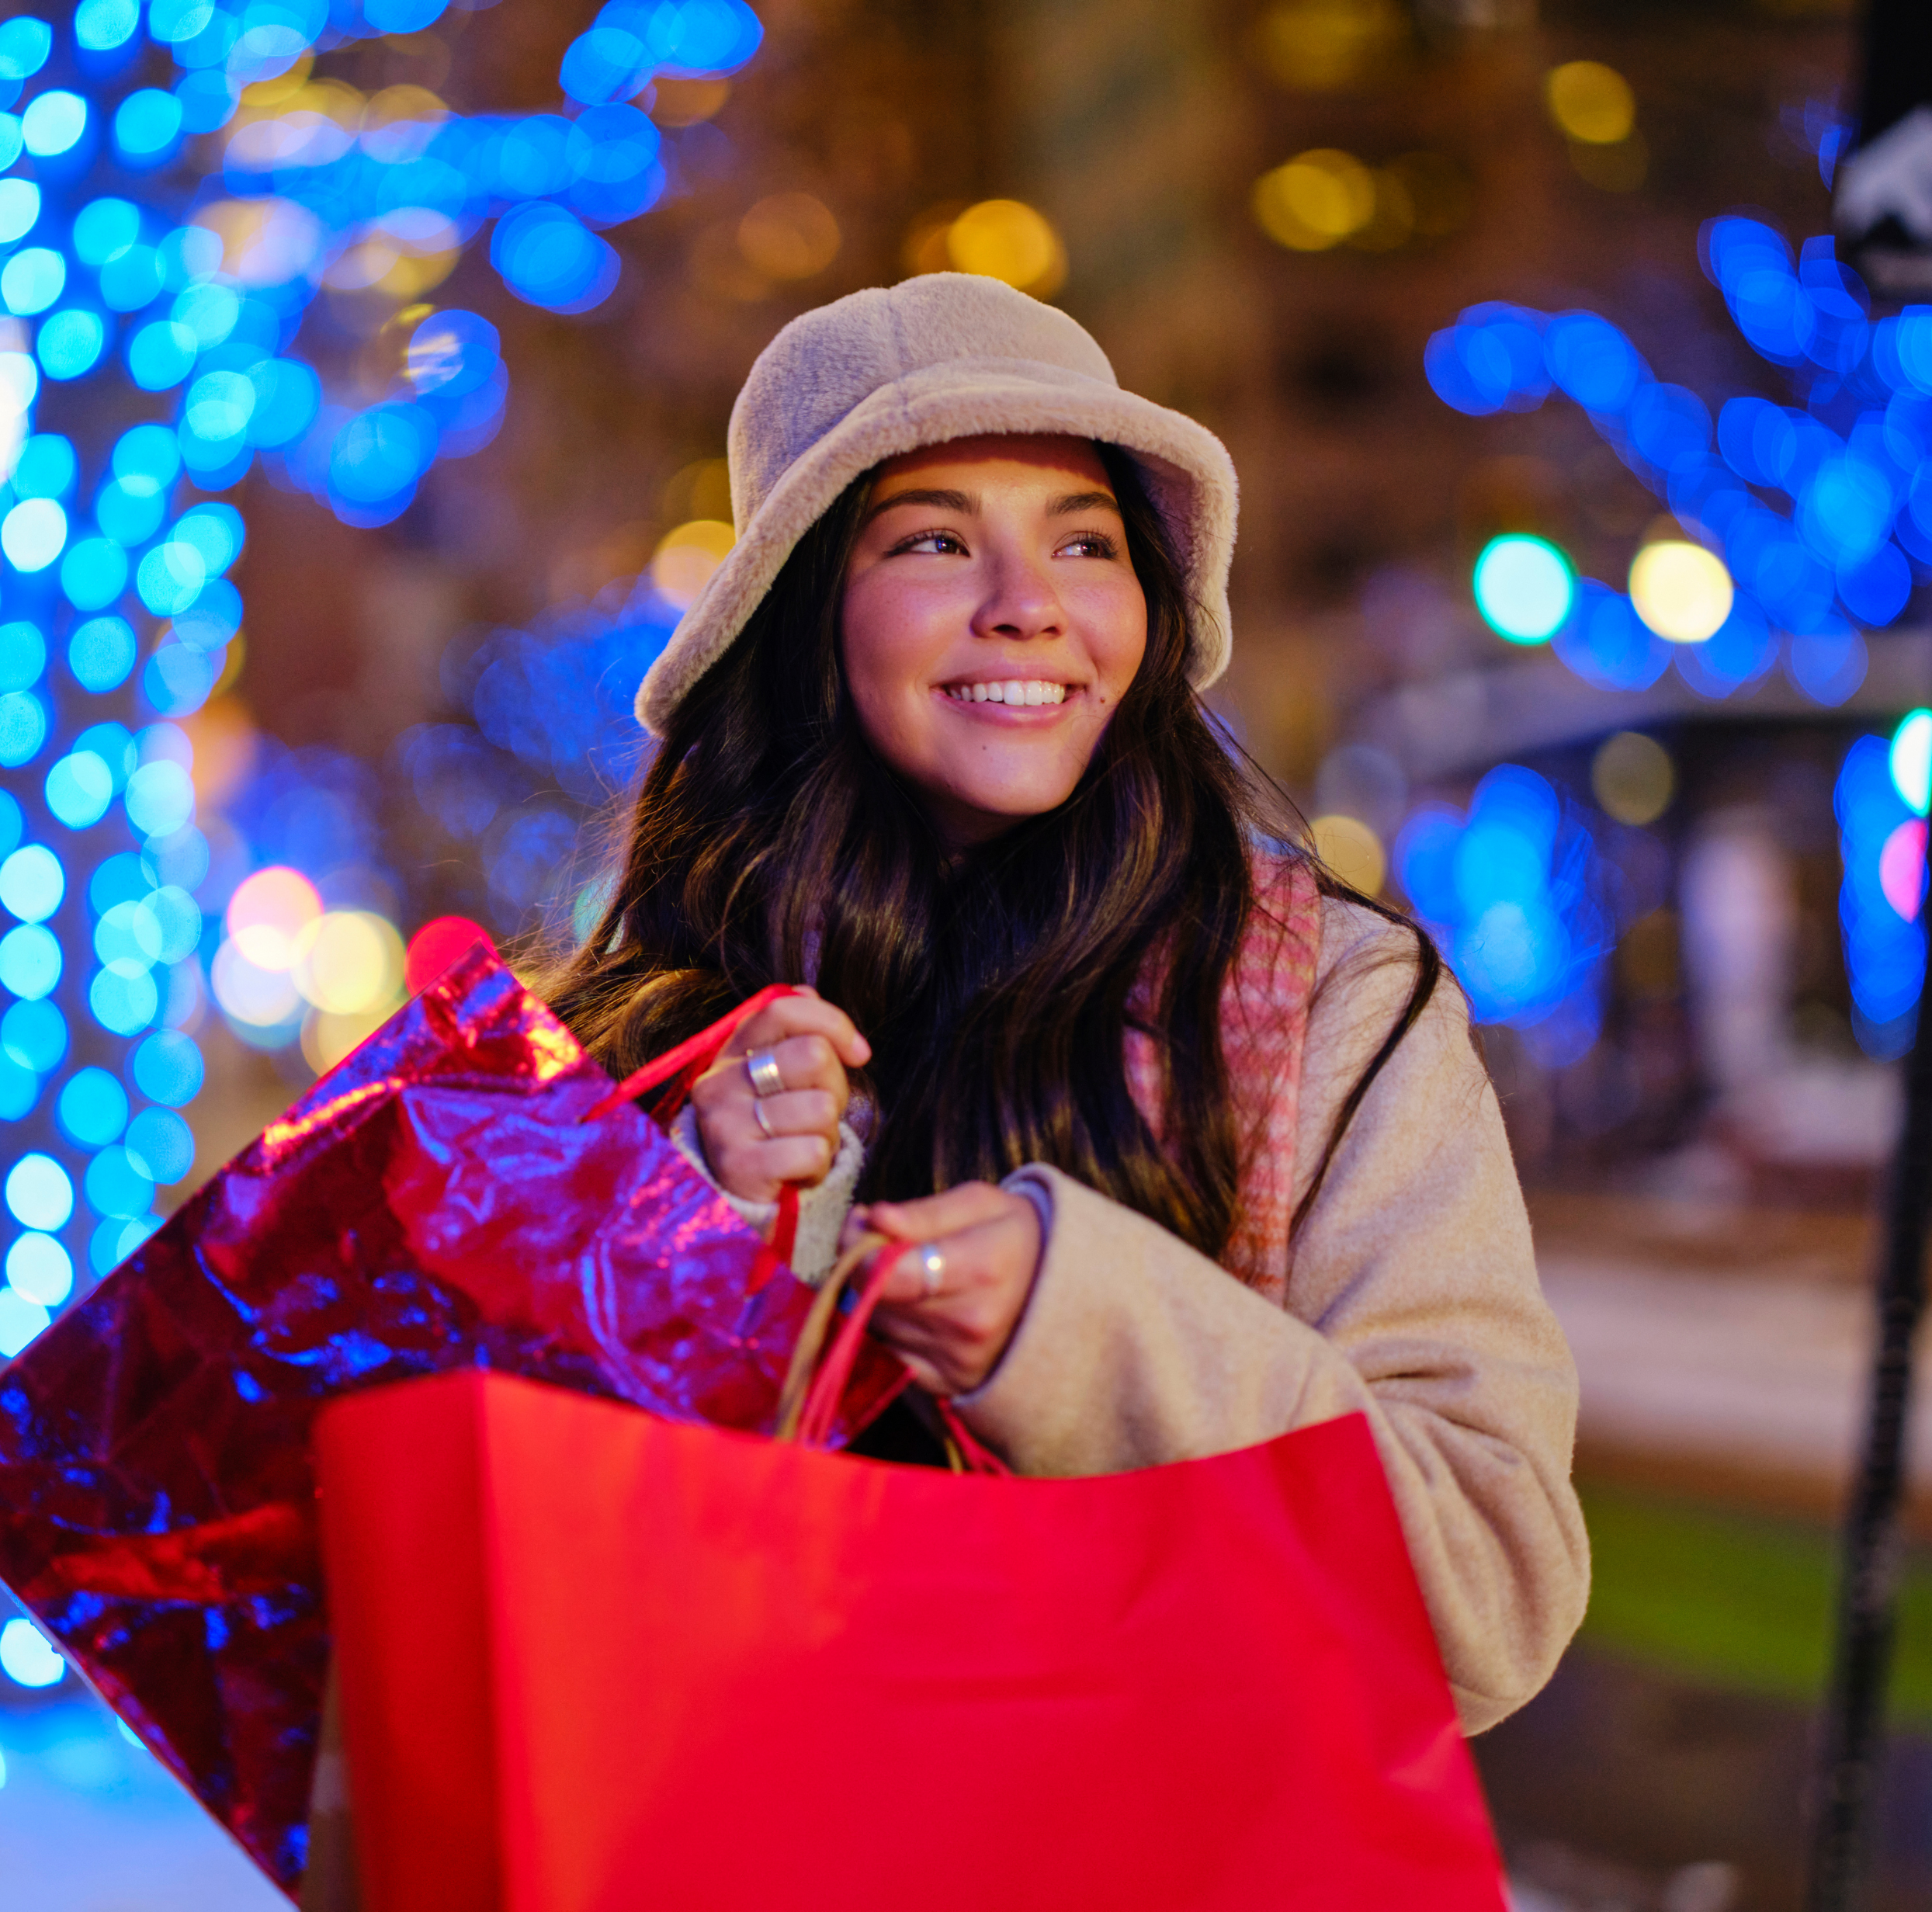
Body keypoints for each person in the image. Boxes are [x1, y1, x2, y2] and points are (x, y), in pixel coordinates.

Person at [541, 272, 1587, 1735]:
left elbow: (1486, 1598)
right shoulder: (626, 1058)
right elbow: (518, 1619)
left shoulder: (1329, 1008)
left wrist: (1083, 1325)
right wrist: (696, 1239)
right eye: (933, 539)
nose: (1027, 607)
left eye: (1083, 541)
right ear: (799, 616)